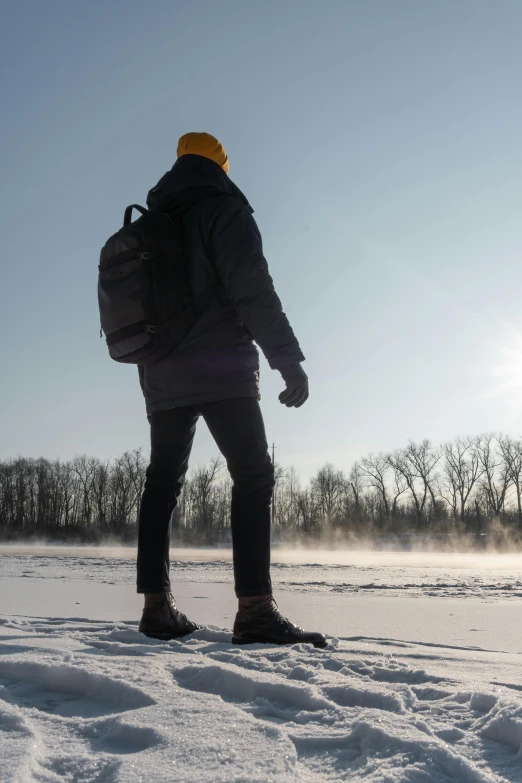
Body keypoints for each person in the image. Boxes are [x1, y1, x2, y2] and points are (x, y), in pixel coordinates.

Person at [136, 132, 326, 649]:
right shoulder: (224, 210)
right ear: (221, 165)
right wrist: (288, 361)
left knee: (162, 483)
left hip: (160, 372)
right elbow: (252, 291)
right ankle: (256, 611)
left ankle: (156, 608)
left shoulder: (154, 219)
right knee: (253, 475)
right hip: (220, 367)